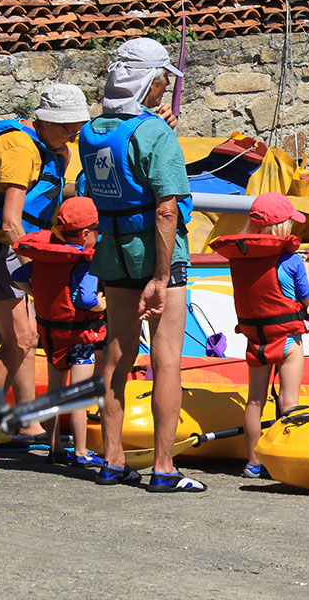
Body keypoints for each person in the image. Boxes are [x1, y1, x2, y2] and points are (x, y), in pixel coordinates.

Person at [78, 37, 202, 492]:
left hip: (112, 250)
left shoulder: (91, 131)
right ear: (150, 81)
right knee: (167, 359)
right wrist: (162, 275)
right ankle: (164, 468)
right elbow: (167, 209)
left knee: (116, 352)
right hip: (155, 256)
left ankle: (111, 461)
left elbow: (85, 185)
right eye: (163, 77)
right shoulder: (155, 133)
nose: (168, 84)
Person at [0, 84, 90, 441]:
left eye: (76, 128)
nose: (72, 135)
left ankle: (24, 423)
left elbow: (46, 193)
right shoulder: (18, 147)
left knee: (24, 338)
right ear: (43, 120)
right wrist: (32, 268)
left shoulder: (51, 148)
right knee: (21, 340)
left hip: (6, 252)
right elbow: (11, 221)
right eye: (66, 127)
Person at [208, 193, 309, 479]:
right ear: (282, 227)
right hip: (288, 341)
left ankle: (253, 462)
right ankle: (286, 458)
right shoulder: (293, 262)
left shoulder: (239, 259)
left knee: (255, 400)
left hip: (256, 339)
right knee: (289, 401)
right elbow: (307, 300)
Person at [11, 197, 106, 466]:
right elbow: (86, 300)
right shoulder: (84, 262)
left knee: (55, 393)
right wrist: (104, 304)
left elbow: (17, 277)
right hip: (79, 338)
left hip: (51, 335)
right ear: (87, 234)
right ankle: (80, 452)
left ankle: (55, 449)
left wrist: (37, 295)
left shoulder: (47, 255)